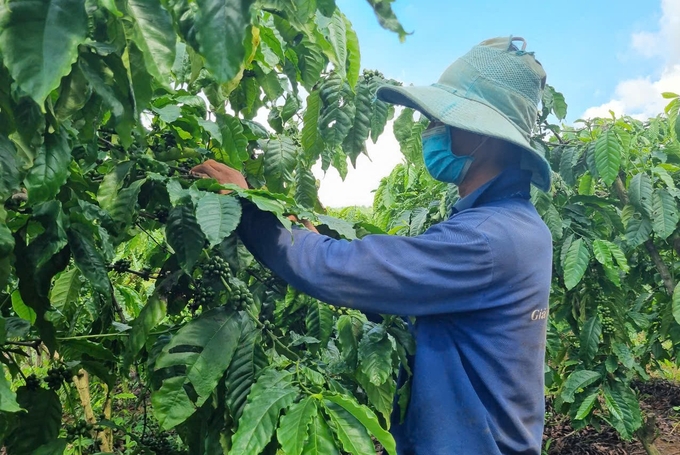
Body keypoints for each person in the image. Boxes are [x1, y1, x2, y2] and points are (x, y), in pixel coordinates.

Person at [191, 36, 553, 455]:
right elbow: (399, 283)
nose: (430, 130)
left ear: (482, 135)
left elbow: (338, 270)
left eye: (441, 120)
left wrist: (248, 208)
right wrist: (310, 233)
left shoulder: (488, 238)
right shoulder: (514, 225)